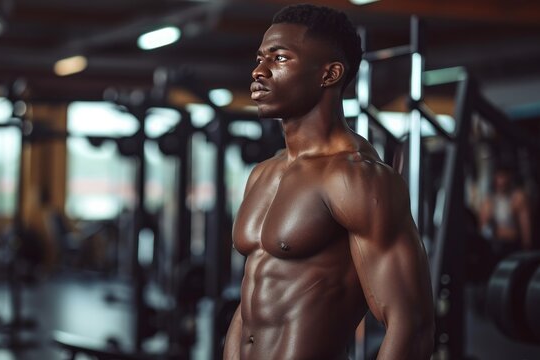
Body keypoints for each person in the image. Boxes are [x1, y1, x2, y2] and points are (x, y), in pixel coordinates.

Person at [224, 4, 435, 359]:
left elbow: (410, 326)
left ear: (330, 74)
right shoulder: (263, 172)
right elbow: (253, 298)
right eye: (259, 58)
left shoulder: (356, 178)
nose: (259, 71)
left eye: (279, 58)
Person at [479, 165, 533, 258]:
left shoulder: (517, 199)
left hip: (513, 249)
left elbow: (525, 233)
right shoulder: (488, 202)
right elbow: (483, 230)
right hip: (493, 249)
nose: (501, 181)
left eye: (504, 177)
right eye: (499, 177)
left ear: (510, 178)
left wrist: (526, 249)